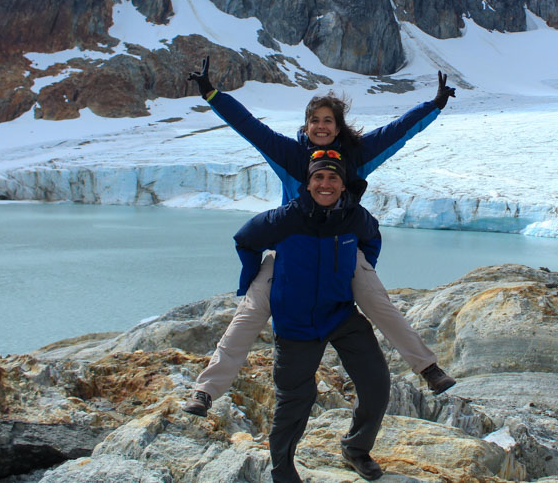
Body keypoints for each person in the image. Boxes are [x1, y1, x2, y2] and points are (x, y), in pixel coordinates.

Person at [181, 57, 456, 416]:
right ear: (306, 125)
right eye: (315, 120)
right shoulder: (289, 154)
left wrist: (433, 106)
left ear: (338, 125)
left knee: (379, 304)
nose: (321, 126)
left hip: (341, 250)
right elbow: (248, 126)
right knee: (248, 314)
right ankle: (205, 390)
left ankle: (429, 369)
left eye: (328, 120)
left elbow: (397, 131)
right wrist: (212, 94)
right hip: (290, 252)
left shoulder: (356, 156)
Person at [235, 150, 390, 482]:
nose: (325, 183)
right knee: (295, 399)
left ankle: (356, 448)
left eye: (333, 177)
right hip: (296, 320)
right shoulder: (285, 218)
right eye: (318, 177)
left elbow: (372, 237)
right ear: (307, 185)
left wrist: (360, 270)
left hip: (340, 313)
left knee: (376, 382)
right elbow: (245, 240)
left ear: (342, 184)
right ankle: (282, 469)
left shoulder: (353, 216)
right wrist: (250, 279)